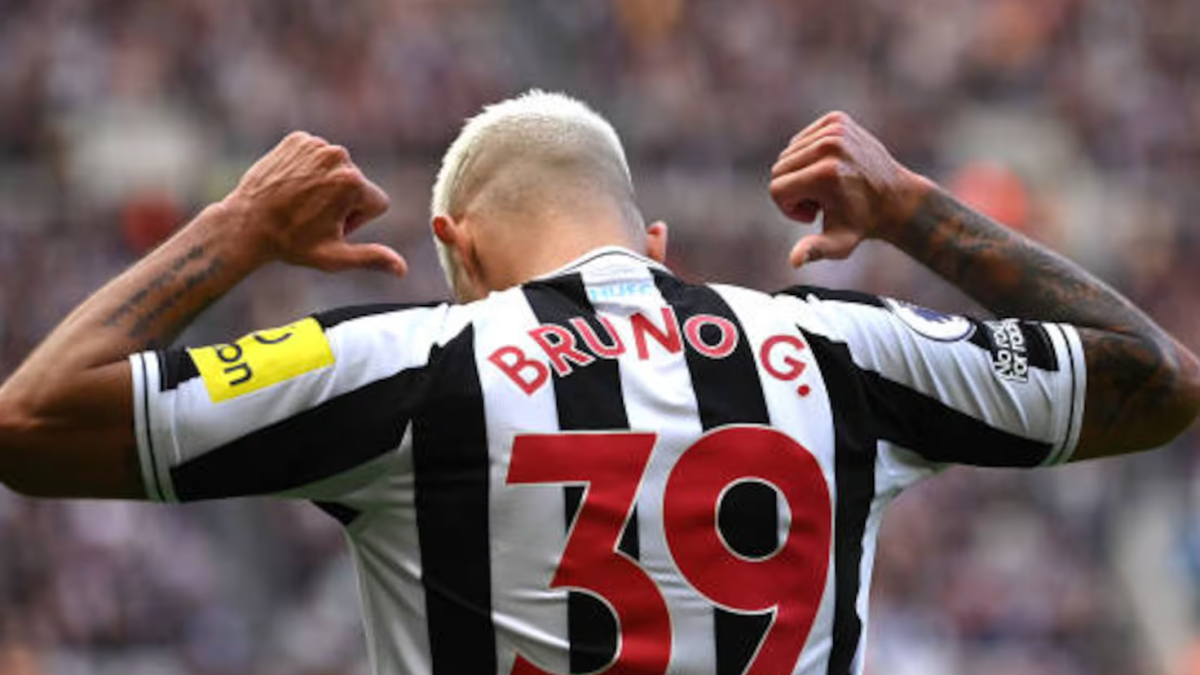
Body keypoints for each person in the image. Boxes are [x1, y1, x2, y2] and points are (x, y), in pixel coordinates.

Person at [0, 90, 1196, 675]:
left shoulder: (409, 361)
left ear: (453, 247)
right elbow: (1156, 384)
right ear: (657, 241)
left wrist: (243, 227)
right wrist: (916, 212)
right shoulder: (844, 350)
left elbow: (32, 419)